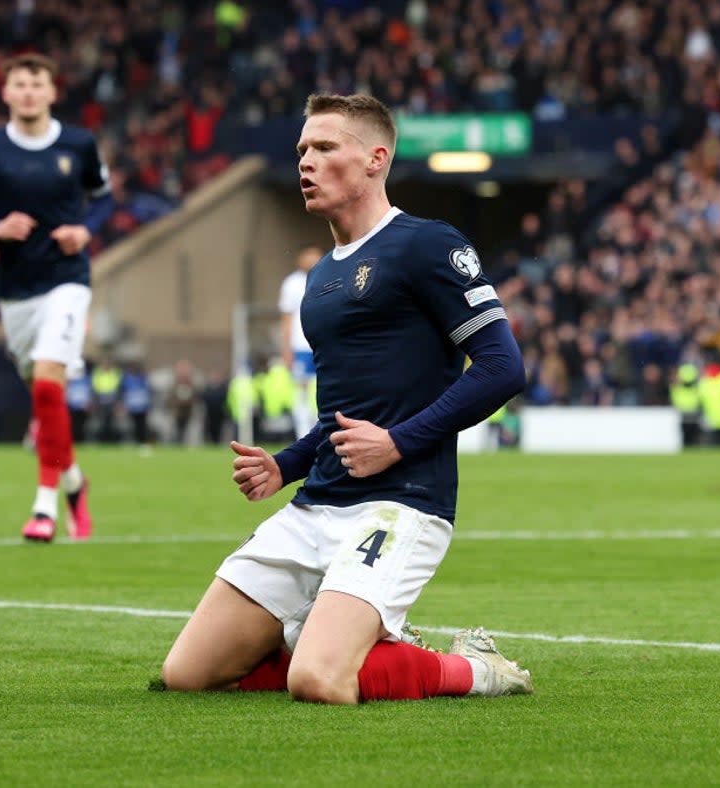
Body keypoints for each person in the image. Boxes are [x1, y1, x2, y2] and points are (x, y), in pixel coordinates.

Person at [161, 93, 532, 705]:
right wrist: (287, 464)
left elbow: (501, 367)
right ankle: (349, 639)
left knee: (319, 682)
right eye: (302, 150)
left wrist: (398, 443)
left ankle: (473, 669)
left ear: (375, 159)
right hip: (317, 506)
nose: (305, 161)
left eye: (325, 148)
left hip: (401, 504)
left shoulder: (428, 245)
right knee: (188, 674)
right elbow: (339, 413)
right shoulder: (320, 279)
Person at [0, 53, 113, 541]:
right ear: (6, 93)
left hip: (67, 279)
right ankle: (75, 484)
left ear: (51, 92)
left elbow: (103, 199)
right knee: (47, 400)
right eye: (18, 84)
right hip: (16, 290)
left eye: (36, 84)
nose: (27, 92)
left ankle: (43, 510)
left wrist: (85, 231)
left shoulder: (78, 144)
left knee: (46, 386)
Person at [279, 244, 323, 438]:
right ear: (300, 258)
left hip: (322, 344)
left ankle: (319, 432)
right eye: (309, 256)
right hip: (301, 347)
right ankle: (303, 435)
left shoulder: (327, 277)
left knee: (321, 391)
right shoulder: (291, 284)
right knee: (301, 391)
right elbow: (286, 319)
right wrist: (286, 349)